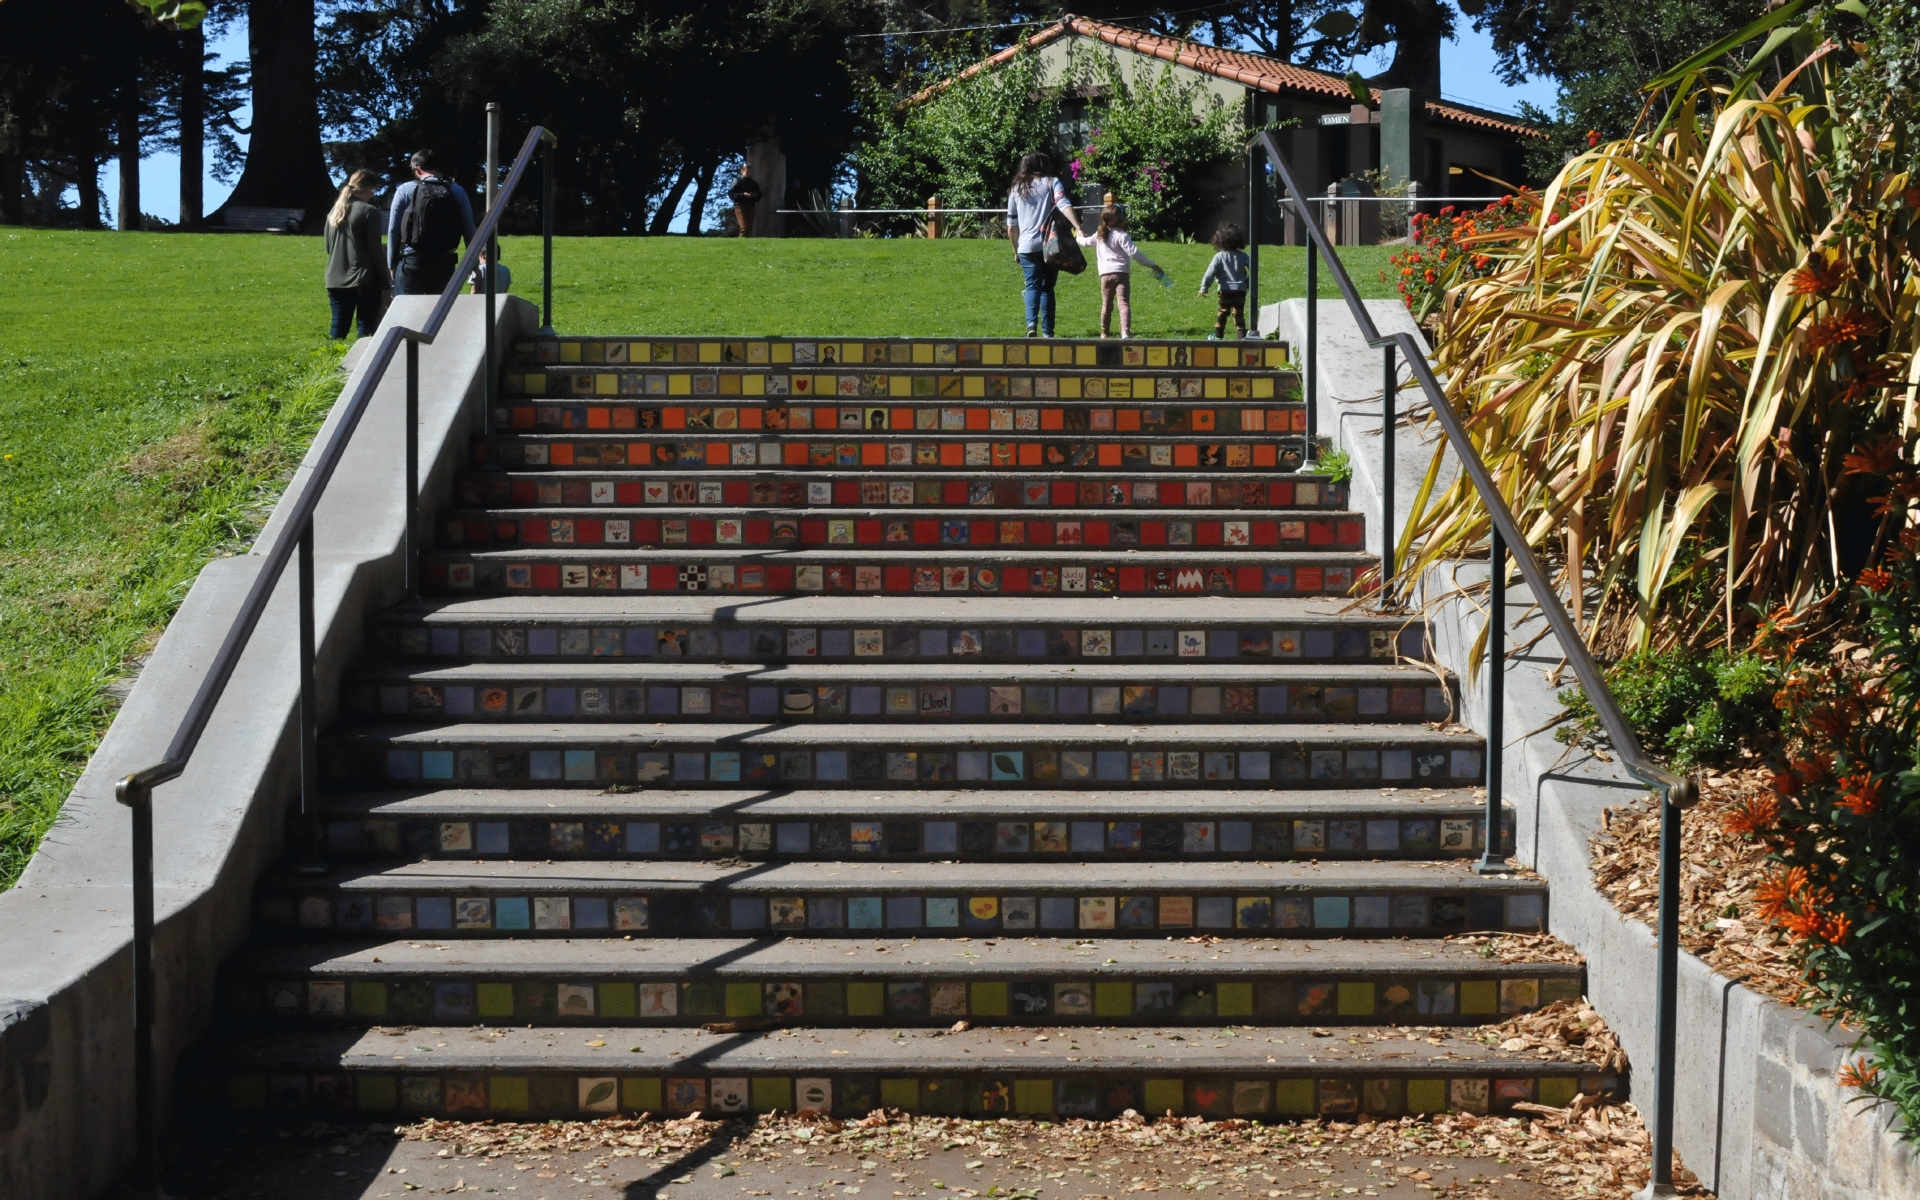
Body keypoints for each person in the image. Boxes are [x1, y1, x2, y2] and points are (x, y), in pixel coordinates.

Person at [1004, 152, 1085, 337]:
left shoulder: (1016, 189)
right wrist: (1078, 226)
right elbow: (1063, 203)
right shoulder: (1052, 182)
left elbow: (1011, 227)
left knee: (1032, 286)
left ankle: (1031, 325)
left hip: (1026, 246)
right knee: (1047, 288)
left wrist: (1016, 251)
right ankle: (1048, 333)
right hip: (1050, 245)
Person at [387, 149, 477, 296]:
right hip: (444, 262)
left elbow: (393, 230)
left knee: (407, 315)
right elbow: (469, 229)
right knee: (441, 315)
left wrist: (391, 265)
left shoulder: (405, 190)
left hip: (412, 261)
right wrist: (474, 266)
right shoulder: (456, 190)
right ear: (437, 168)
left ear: (416, 169)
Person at [1075, 205, 1164, 339]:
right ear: (1121, 220)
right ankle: (1125, 332)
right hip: (1121, 274)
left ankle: (1104, 333)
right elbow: (1134, 253)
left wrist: (1077, 237)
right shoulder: (1122, 236)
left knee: (1106, 305)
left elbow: (1086, 242)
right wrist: (1151, 264)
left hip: (1105, 275)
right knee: (1123, 304)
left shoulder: (1100, 233)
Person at [323, 169, 390, 340]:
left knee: (338, 327)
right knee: (366, 328)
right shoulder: (369, 211)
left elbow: (328, 247)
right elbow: (375, 251)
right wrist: (385, 283)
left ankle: (331, 364)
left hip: (335, 278)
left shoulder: (334, 211)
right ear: (369, 189)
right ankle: (364, 365)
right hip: (364, 279)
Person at [1198, 222, 1253, 339]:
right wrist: (1248, 281)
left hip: (1225, 290)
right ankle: (1241, 336)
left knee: (1223, 312)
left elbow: (1210, 273)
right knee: (1239, 314)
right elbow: (1254, 268)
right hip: (1240, 290)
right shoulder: (1242, 255)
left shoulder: (1219, 256)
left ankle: (1219, 335)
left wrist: (1204, 287)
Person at [728, 165, 763, 237]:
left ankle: (745, 244)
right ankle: (740, 244)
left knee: (749, 228)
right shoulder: (737, 181)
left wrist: (754, 195)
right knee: (744, 227)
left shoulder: (754, 183)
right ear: (742, 171)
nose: (749, 173)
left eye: (751, 172)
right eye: (747, 171)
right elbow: (731, 194)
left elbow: (759, 196)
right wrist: (742, 194)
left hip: (751, 206)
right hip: (740, 206)